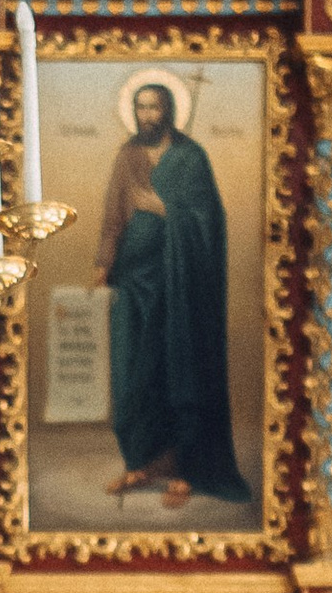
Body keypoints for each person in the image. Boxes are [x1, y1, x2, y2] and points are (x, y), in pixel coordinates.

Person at [97, 79, 247, 509]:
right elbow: (113, 211)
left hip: (180, 283)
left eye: (154, 107)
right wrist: (103, 264)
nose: (147, 115)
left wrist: (167, 210)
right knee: (133, 370)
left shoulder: (190, 158)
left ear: (169, 111)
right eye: (140, 107)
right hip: (133, 278)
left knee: (179, 368)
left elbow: (209, 220)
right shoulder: (127, 157)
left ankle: (187, 468)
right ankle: (142, 461)